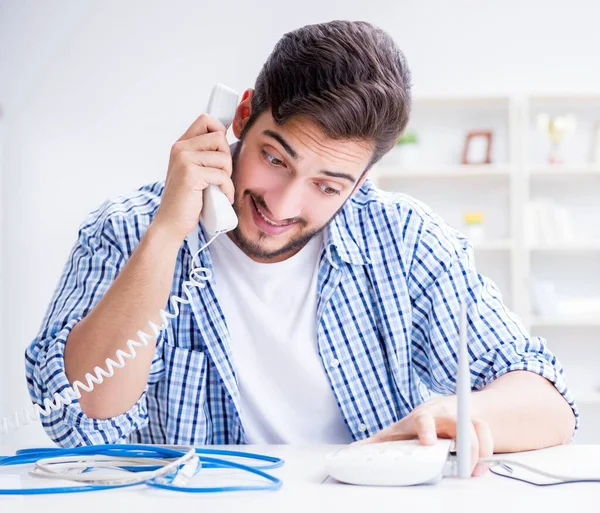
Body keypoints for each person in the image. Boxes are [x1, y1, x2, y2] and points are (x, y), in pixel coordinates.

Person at [25, 20, 576, 475]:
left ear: (360, 183)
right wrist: (167, 236)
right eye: (274, 159)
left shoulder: (405, 239)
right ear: (239, 117)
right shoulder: (126, 230)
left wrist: (456, 414)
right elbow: (83, 421)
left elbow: (551, 403)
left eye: (328, 185)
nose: (284, 204)